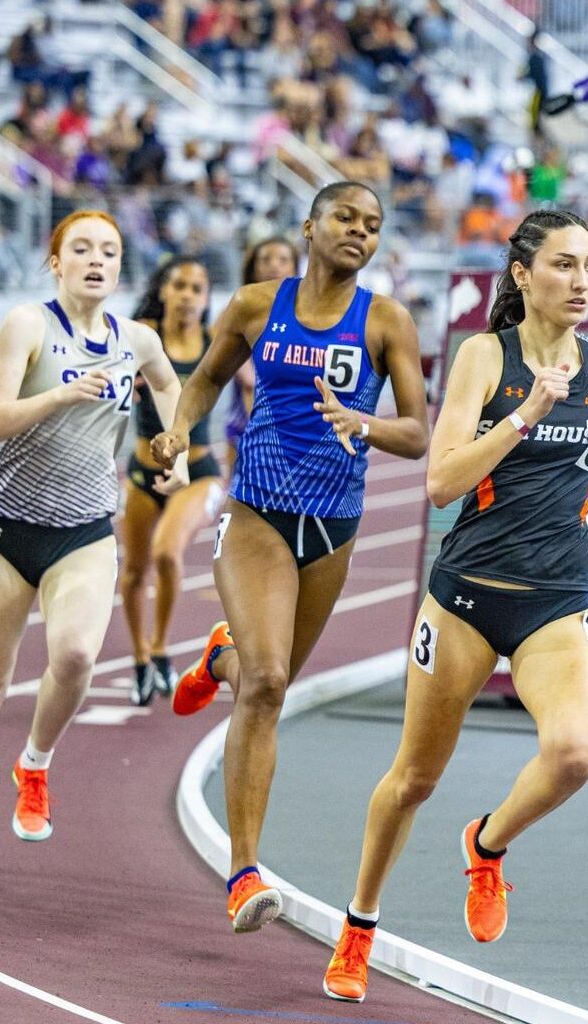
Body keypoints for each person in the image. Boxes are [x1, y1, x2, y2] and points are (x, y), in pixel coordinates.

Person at [321, 209, 588, 1004]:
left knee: (574, 754)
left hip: (555, 601)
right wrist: (527, 414)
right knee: (414, 779)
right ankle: (358, 926)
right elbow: (440, 482)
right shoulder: (483, 357)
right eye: (564, 265)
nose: (582, 281)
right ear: (523, 275)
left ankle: (488, 845)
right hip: (465, 598)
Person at [149, 181, 429, 933]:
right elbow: (207, 378)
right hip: (257, 513)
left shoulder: (387, 321)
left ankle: (219, 659)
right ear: (309, 226)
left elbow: (417, 435)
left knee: (264, 686)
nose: (359, 232)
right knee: (269, 682)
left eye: (373, 224)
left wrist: (365, 423)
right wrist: (179, 428)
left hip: (334, 525)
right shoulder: (254, 305)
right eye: (345, 217)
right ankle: (244, 872)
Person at [0, 210, 189, 870]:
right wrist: (62, 396)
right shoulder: (28, 324)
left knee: (76, 656)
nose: (96, 260)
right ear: (57, 262)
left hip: (83, 532)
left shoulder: (136, 339)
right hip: (4, 532)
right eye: (81, 249)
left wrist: (177, 450)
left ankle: (35, 763)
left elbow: (168, 383)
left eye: (108, 250)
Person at [120, 257, 225, 704]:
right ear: (163, 290)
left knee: (166, 551)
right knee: (133, 570)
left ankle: (161, 648)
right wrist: (123, 383)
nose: (186, 295)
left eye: (197, 288)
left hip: (196, 473)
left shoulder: (215, 340)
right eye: (179, 285)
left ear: (206, 298)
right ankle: (140, 658)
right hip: (142, 470)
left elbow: (254, 381)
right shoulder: (141, 334)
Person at [223, 236, 299, 477]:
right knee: (238, 494)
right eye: (266, 260)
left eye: (283, 260)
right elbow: (249, 381)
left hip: (293, 430)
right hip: (246, 426)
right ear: (253, 268)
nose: (274, 265)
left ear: (295, 268)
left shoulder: (304, 316)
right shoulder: (240, 311)